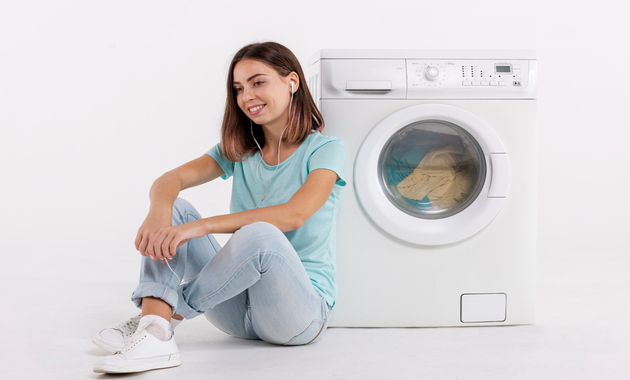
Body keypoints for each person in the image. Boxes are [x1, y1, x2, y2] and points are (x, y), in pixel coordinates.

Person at [91, 42, 346, 374]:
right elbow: (171, 179)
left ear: (292, 82)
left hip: (298, 315)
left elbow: (294, 214)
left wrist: (203, 226)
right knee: (176, 208)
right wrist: (159, 211)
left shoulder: (326, 149)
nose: (247, 97)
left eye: (258, 82)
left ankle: (158, 318)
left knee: (260, 235)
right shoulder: (240, 149)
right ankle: (154, 330)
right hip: (236, 311)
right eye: (239, 89)